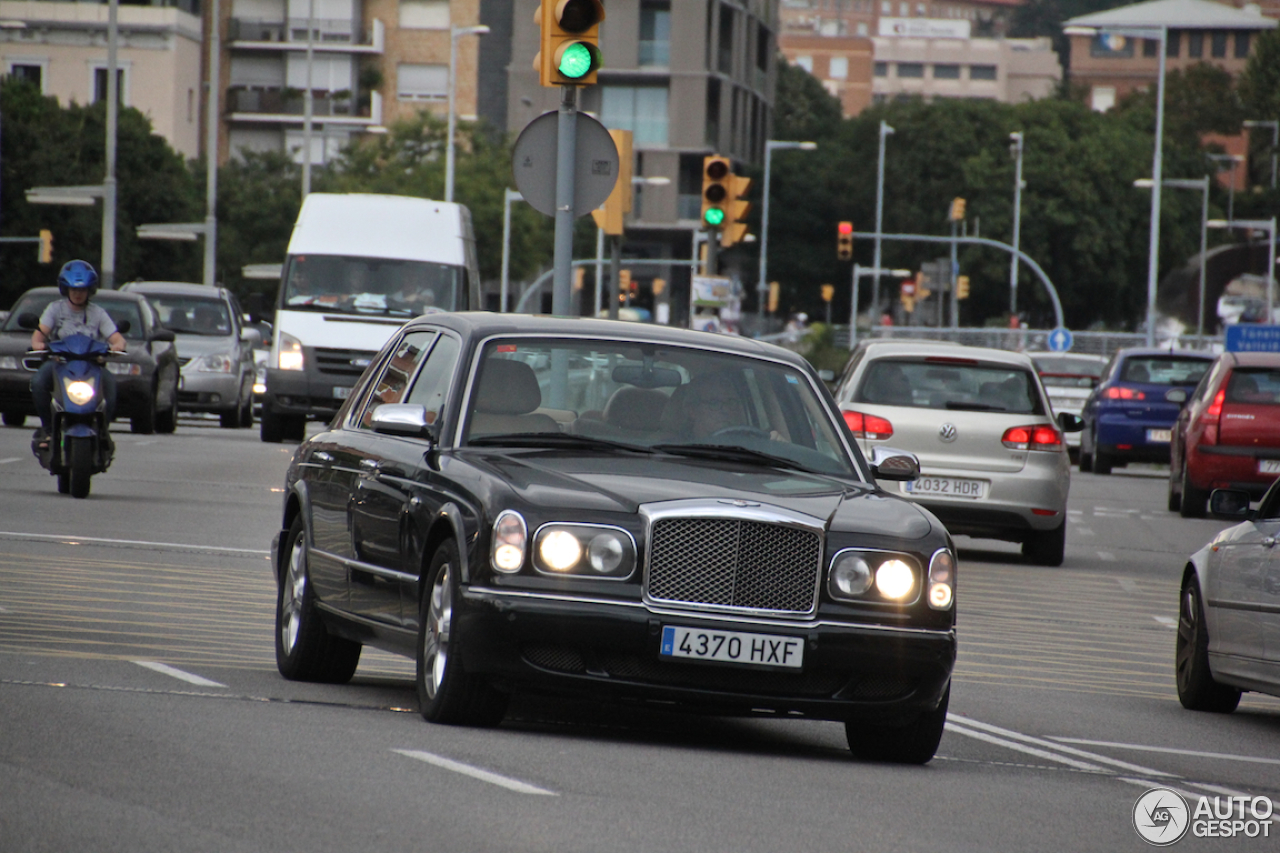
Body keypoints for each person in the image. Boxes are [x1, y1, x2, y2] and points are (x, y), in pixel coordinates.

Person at [30, 260, 127, 451]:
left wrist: (117, 346)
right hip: (61, 365)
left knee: (111, 387)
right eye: (73, 289)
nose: (77, 293)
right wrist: (39, 344)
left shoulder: (98, 313)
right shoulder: (54, 309)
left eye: (82, 289)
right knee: (39, 381)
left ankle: (102, 432)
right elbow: (39, 334)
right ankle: (49, 430)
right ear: (65, 288)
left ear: (90, 290)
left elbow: (117, 338)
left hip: (92, 367)